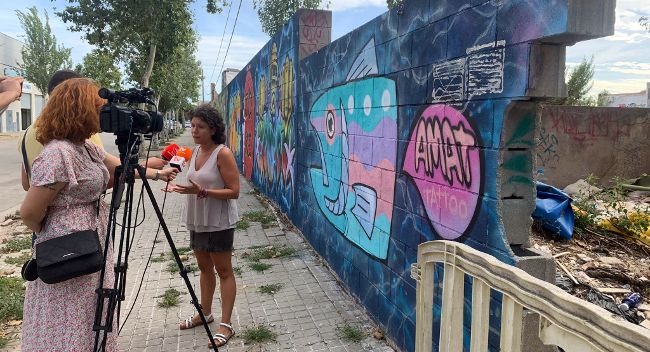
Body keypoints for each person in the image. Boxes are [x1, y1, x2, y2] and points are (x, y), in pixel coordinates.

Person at [19, 78, 177, 351]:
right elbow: (29, 213)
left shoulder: (86, 146)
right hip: (68, 247)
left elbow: (122, 167)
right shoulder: (58, 153)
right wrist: (53, 227)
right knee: (69, 316)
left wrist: (157, 173)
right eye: (99, 107)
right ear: (80, 109)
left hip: (93, 237)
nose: (104, 115)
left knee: (92, 309)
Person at [165, 104, 239, 348]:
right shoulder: (193, 151)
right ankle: (205, 313)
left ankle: (226, 324)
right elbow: (179, 174)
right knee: (204, 269)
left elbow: (234, 191)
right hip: (197, 220)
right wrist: (174, 183)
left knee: (224, 271)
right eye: (193, 125)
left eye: (200, 127)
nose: (194, 130)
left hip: (218, 222)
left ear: (213, 129)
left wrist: (204, 191)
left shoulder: (223, 153)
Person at [19, 69, 167, 191]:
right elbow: (106, 176)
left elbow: (27, 185)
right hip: (74, 221)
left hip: (45, 219)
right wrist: (151, 169)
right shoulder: (78, 133)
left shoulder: (25, 134)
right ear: (74, 99)